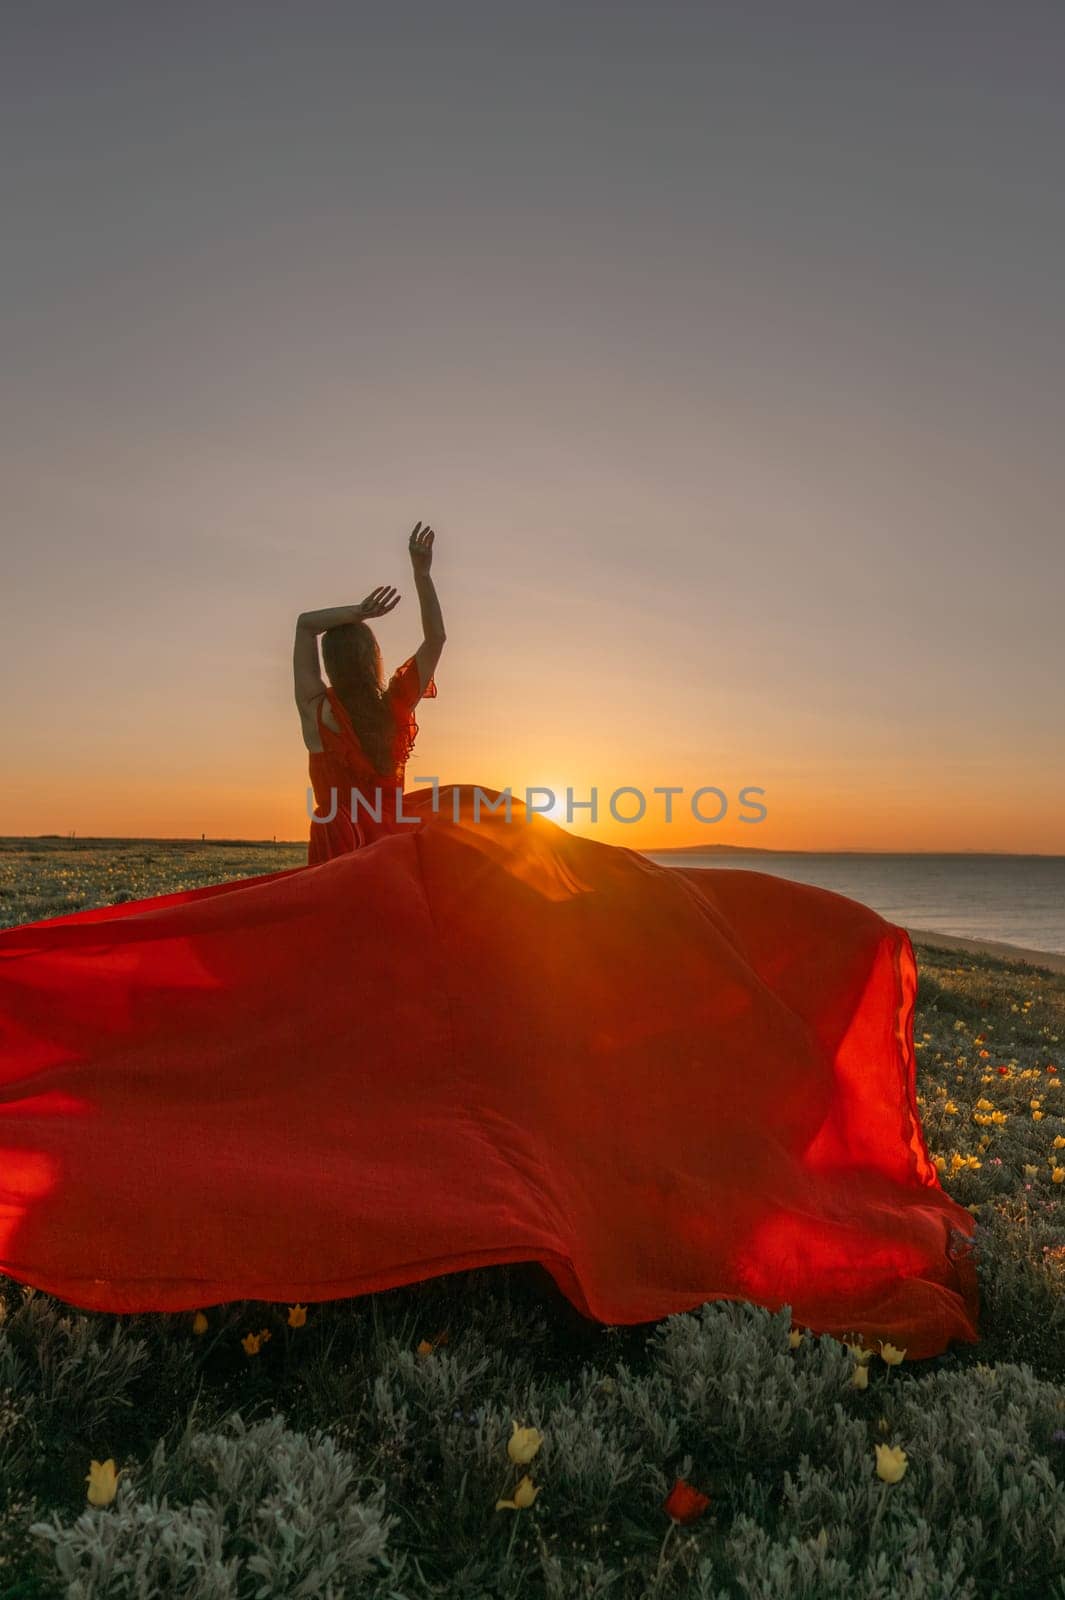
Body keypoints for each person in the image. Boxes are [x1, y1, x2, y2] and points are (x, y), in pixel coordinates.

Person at [0, 524, 980, 1360]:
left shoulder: (332, 727)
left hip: (345, 904)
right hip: (404, 901)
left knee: (321, 1061)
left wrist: (342, 609)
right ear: (378, 671)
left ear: (338, 678)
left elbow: (304, 639)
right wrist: (418, 575)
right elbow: (438, 637)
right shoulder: (387, 720)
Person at [293, 522, 445, 860]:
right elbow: (436, 639)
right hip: (392, 845)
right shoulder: (395, 706)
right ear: (373, 657)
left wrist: (358, 612)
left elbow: (305, 625)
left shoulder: (317, 710)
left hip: (338, 845)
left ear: (329, 663)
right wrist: (422, 575)